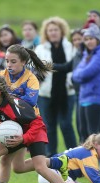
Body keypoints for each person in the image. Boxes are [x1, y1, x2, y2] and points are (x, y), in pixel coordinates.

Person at [35, 16, 77, 156]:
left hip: (67, 93)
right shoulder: (40, 49)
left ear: (62, 31)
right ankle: (50, 157)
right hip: (46, 94)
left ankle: (74, 156)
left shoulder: (71, 47)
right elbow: (35, 70)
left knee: (66, 125)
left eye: (55, 30)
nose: (53, 33)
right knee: (49, 127)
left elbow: (74, 67)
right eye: (50, 30)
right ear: (46, 33)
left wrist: (50, 67)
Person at [72, 23, 100, 143]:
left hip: (95, 97)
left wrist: (80, 75)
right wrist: (80, 75)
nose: (88, 42)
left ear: (97, 39)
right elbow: (75, 74)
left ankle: (98, 160)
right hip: (83, 97)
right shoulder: (87, 54)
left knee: (94, 133)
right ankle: (86, 160)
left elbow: (87, 72)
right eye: (86, 39)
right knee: (83, 131)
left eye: (91, 38)